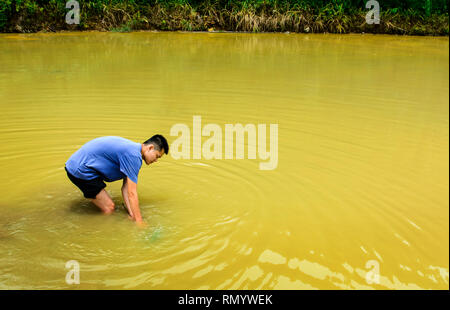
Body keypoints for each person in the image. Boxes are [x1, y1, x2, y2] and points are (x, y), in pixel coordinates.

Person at [65, 135, 169, 226]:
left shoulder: (132, 151)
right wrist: (139, 222)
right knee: (109, 208)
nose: (156, 160)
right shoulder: (134, 156)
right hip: (81, 170)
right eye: (157, 156)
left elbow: (126, 188)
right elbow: (132, 193)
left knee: (110, 206)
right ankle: (94, 231)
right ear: (150, 148)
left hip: (80, 166)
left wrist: (132, 214)